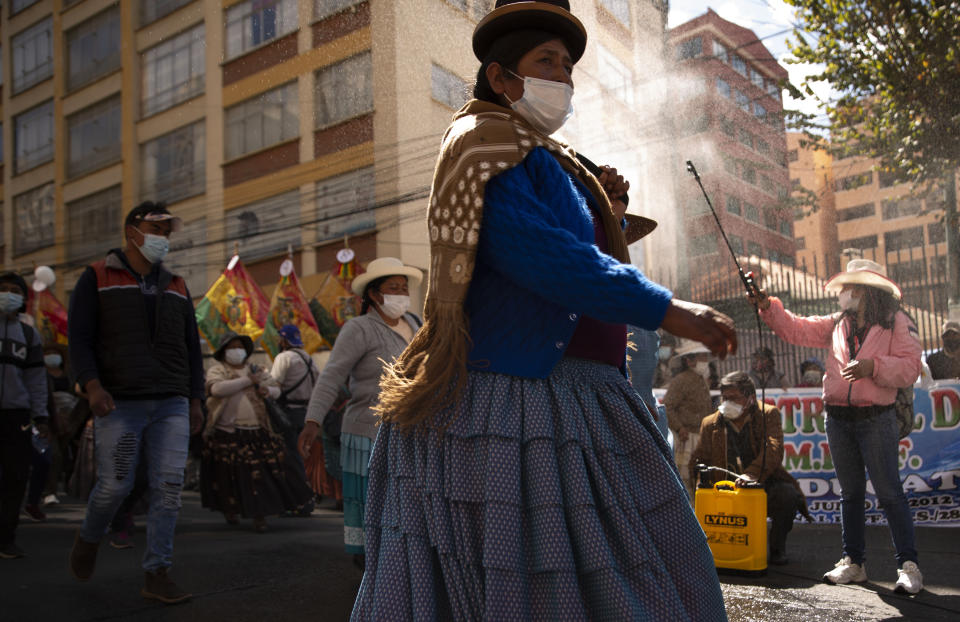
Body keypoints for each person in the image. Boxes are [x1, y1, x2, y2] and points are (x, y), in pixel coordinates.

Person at [349, 3, 737, 619]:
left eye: (568, 65)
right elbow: (542, 256)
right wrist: (668, 309)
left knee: (633, 569)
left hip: (582, 398)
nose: (563, 76)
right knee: (542, 586)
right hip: (520, 403)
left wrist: (603, 209)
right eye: (546, 62)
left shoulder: (544, 154)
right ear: (501, 78)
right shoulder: (484, 144)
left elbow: (571, 250)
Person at [749, 258, 923, 594]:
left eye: (847, 287)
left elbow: (911, 367)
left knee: (890, 494)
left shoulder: (896, 321)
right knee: (851, 494)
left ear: (864, 290)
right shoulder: (837, 322)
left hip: (877, 418)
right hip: (839, 418)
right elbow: (796, 328)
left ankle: (909, 565)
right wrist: (768, 307)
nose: (841, 293)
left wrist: (873, 366)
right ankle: (853, 562)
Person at [67, 202, 204, 603]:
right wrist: (92, 386)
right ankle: (89, 537)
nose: (163, 237)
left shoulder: (176, 284)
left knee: (169, 488)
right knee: (115, 485)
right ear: (132, 231)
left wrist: (195, 398)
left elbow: (191, 347)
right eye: (155, 228)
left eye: (167, 230)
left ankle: (157, 573)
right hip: (120, 403)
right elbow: (79, 338)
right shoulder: (96, 277)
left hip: (171, 404)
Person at [297, 256, 423, 571]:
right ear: (376, 294)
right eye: (393, 288)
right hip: (369, 430)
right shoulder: (359, 328)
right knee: (372, 502)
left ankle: (403, 560)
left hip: (414, 429)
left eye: (403, 287)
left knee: (409, 500)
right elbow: (331, 377)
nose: (401, 293)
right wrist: (312, 421)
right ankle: (371, 563)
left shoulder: (418, 324)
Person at [690, 371, 810, 565]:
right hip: (724, 491)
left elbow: (774, 448)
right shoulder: (710, 423)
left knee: (787, 496)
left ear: (750, 398)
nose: (727, 402)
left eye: (734, 398)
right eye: (725, 398)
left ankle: (777, 549)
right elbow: (698, 459)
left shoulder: (768, 414)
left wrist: (752, 474)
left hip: (761, 487)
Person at [201, 332, 314, 533]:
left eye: (239, 346)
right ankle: (231, 510)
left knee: (259, 478)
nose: (236, 350)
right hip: (227, 432)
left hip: (257, 431)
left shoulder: (255, 370)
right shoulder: (218, 370)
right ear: (223, 352)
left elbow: (275, 389)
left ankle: (259, 516)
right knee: (228, 476)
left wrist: (267, 391)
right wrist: (248, 381)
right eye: (231, 347)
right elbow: (217, 389)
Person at [0, 272, 48, 559]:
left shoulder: (29, 335)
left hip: (16, 416)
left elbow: (36, 381)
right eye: (2, 289)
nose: (8, 294)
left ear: (22, 298)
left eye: (13, 290)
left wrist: (41, 417)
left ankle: (6, 538)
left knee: (16, 478)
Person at [269, 324, 323, 513]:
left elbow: (274, 387)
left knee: (291, 457)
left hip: (288, 413)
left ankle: (301, 501)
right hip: (307, 412)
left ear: (284, 340)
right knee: (302, 456)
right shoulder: (309, 358)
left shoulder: (283, 357)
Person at [664, 339, 713, 496]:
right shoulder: (681, 380)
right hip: (686, 438)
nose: (705, 361)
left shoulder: (701, 380)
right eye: (702, 357)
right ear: (690, 360)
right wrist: (679, 427)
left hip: (700, 436)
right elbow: (667, 407)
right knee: (685, 478)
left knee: (698, 476)